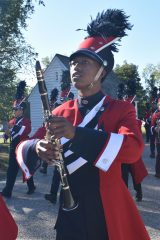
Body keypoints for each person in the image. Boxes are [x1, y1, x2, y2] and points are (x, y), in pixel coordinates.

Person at [16, 9, 150, 240]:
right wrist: (37, 147)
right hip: (69, 210)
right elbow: (25, 144)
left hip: (107, 211)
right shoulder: (61, 111)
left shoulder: (121, 109)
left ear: (102, 71)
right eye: (74, 62)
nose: (76, 67)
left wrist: (76, 134)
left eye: (85, 62)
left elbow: (133, 149)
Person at [1, 81, 36, 198]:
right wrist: (4, 132)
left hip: (22, 148)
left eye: (16, 109)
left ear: (21, 110)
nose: (14, 111)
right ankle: (7, 191)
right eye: (13, 109)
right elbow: (5, 136)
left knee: (25, 168)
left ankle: (31, 186)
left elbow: (26, 131)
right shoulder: (12, 121)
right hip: (12, 148)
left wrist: (11, 127)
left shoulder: (26, 121)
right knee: (11, 170)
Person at [151, 99, 160, 178]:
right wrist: (154, 129)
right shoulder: (155, 114)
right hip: (159, 139)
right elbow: (151, 126)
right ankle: (158, 173)